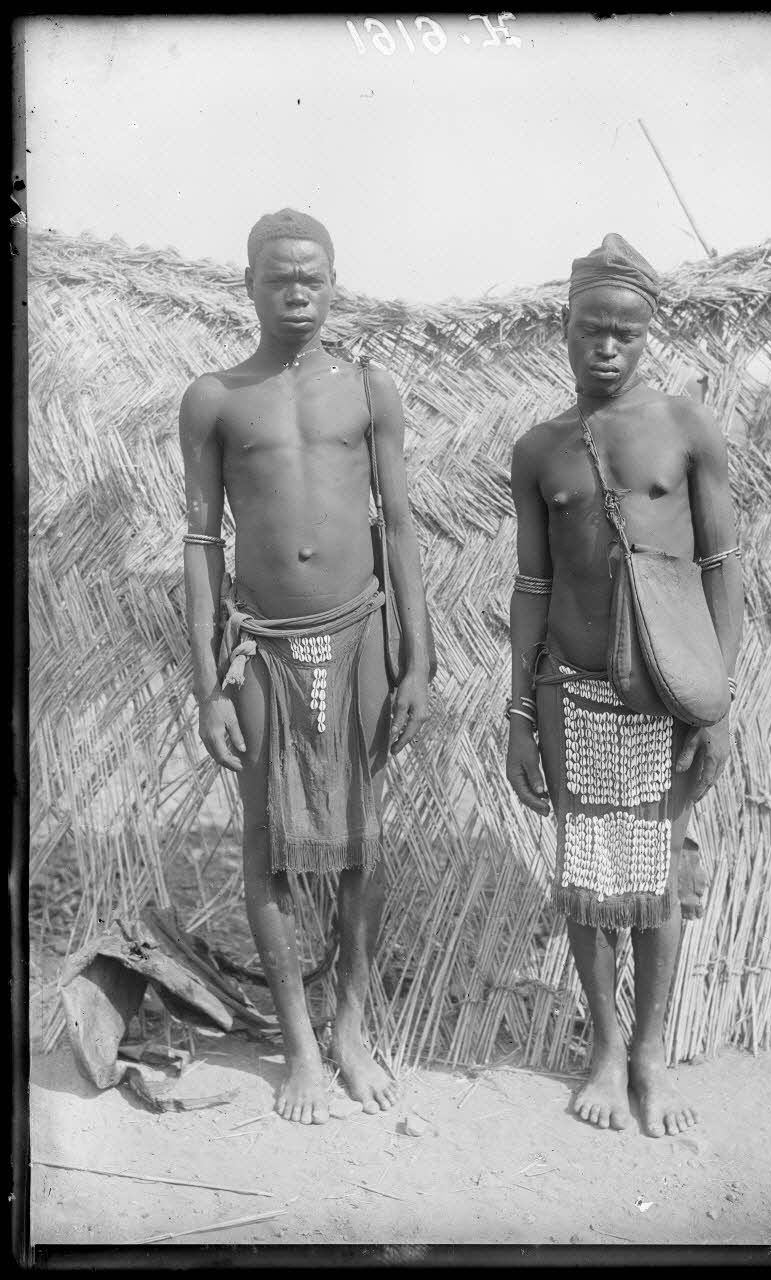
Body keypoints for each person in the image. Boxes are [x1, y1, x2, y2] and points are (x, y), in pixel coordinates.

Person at [179, 209, 432, 1125]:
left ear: (335, 283)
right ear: (247, 282)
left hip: (360, 631)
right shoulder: (216, 397)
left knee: (359, 841)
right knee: (266, 845)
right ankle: (298, 1048)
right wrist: (207, 686)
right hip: (263, 649)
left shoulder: (370, 389)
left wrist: (419, 662)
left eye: (314, 275)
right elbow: (203, 541)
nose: (298, 290)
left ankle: (351, 1030)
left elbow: (399, 527)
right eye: (279, 275)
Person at [506, 233, 743, 1137]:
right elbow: (533, 587)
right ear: (562, 330)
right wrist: (519, 715)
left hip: (666, 693)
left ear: (650, 336)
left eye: (625, 333)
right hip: (571, 689)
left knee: (656, 876)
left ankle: (649, 1054)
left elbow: (722, 564)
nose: (606, 348)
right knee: (585, 872)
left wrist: (714, 703)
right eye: (590, 330)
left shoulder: (686, 428)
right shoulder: (539, 450)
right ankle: (604, 1047)